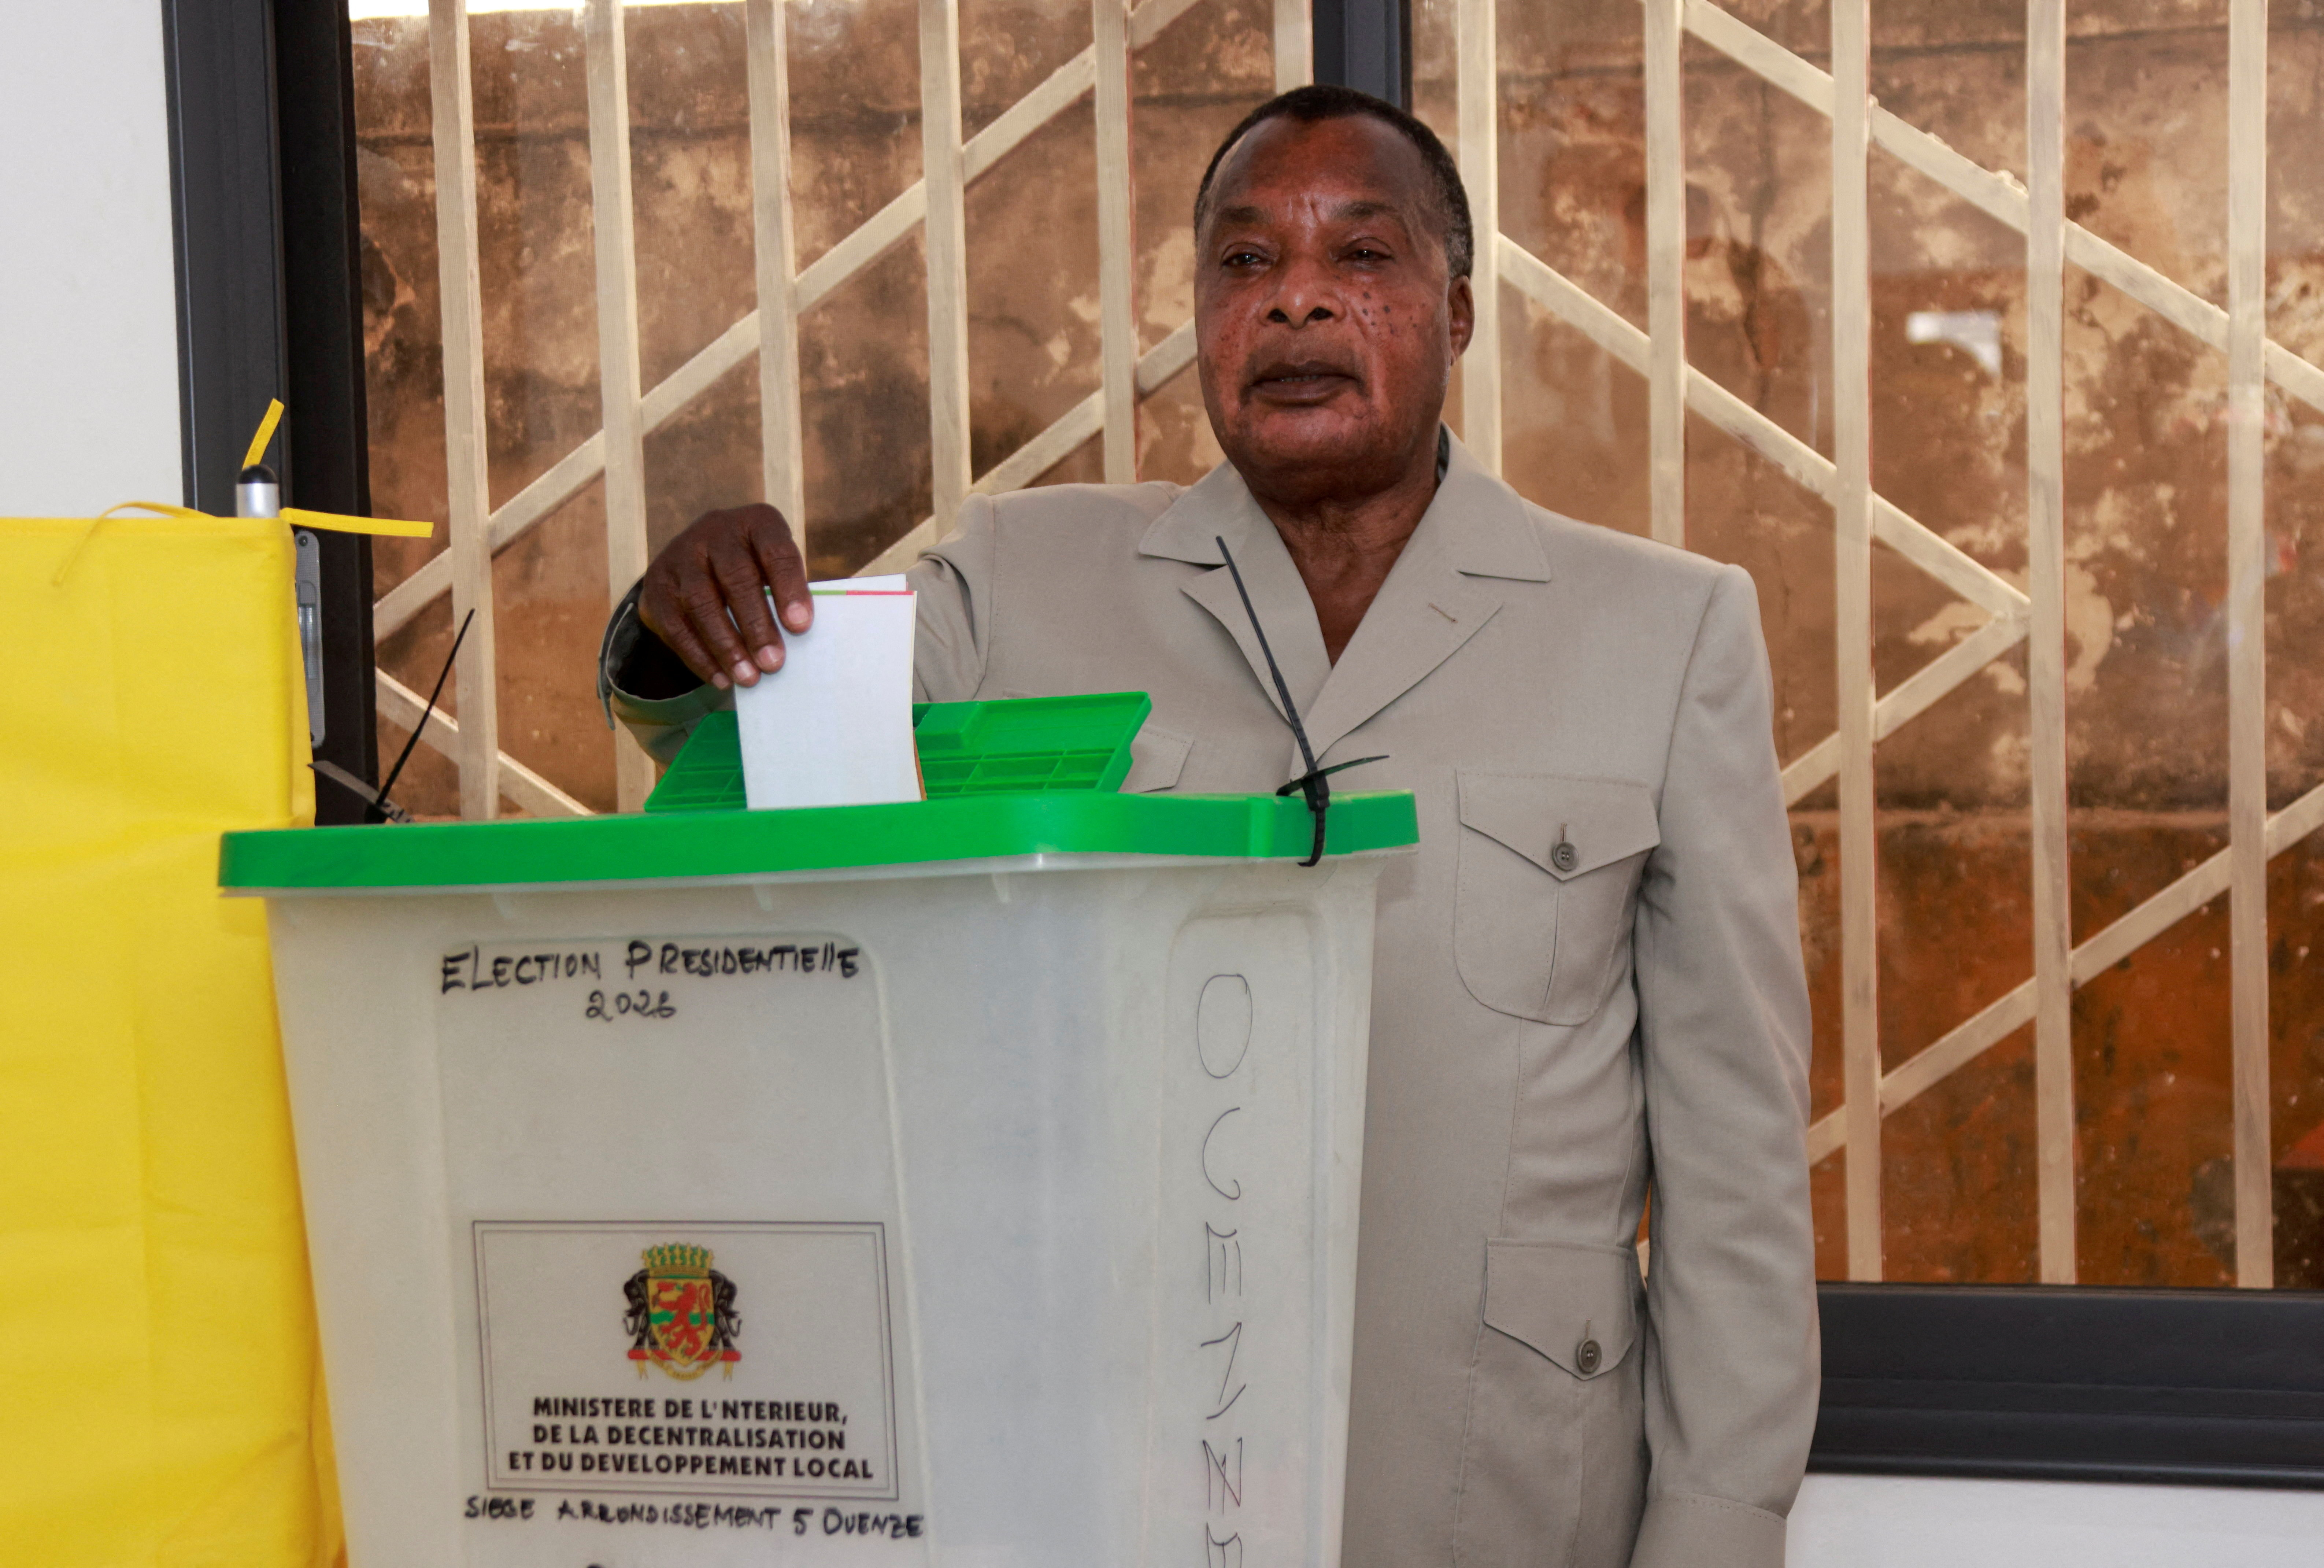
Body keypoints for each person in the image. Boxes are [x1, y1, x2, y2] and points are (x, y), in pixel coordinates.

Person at [599, 84, 1815, 1568]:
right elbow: (763, 773)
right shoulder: (1024, 576)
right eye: (1245, 261)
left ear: (1455, 310)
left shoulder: (1665, 632)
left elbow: (1737, 1160)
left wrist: (1716, 1530)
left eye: (1359, 254)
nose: (1296, 296)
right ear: (1199, 321)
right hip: (1108, 1480)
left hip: (1501, 1486)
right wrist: (691, 628)